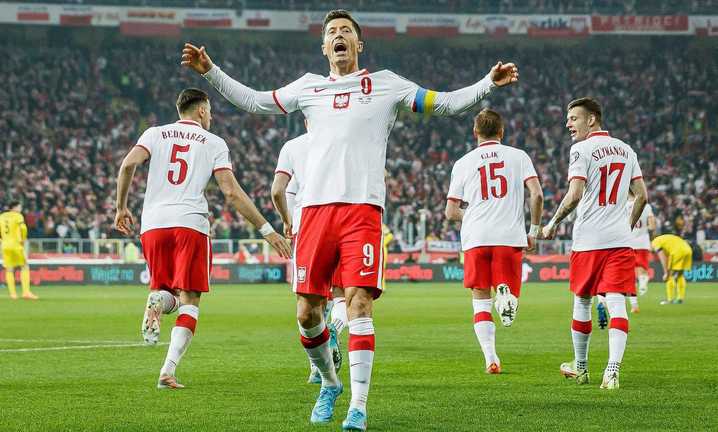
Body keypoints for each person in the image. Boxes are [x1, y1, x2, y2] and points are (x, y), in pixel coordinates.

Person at [182, 9, 518, 430]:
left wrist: (488, 83)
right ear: (324, 47)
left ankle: (358, 406)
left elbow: (444, 103)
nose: (338, 36)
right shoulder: (309, 88)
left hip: (361, 210)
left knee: (358, 303)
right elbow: (255, 100)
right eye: (331, 33)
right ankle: (329, 382)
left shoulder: (386, 84)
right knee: (307, 313)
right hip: (315, 213)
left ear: (359, 45)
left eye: (346, 32)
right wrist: (210, 70)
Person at [114, 88, 291, 389]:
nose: (211, 116)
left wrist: (120, 208)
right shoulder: (213, 142)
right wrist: (266, 229)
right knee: (190, 301)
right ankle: (167, 371)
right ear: (201, 110)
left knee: (167, 291)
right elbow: (231, 192)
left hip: (153, 224)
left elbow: (128, 164)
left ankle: (158, 300)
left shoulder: (155, 133)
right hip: (190, 224)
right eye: (209, 111)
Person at [543, 97, 647, 390]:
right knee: (616, 304)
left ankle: (582, 367)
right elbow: (641, 195)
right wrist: (625, 226)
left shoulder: (581, 149)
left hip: (588, 240)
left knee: (583, 301)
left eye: (573, 118)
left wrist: (553, 223)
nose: (568, 124)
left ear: (592, 119)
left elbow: (574, 194)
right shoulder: (627, 150)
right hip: (620, 241)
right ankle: (612, 372)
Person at [445, 109, 543, 374]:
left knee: (479, 301)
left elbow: (451, 212)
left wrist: (473, 214)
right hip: (509, 236)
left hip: (476, 237)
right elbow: (537, 194)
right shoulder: (519, 156)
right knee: (508, 293)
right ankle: (505, 297)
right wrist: (533, 230)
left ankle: (491, 358)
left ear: (475, 132)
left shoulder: (463, 162)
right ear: (502, 132)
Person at [270, 132, 343, 384]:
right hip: (343, 222)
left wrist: (287, 221)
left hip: (306, 228)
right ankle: (334, 330)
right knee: (342, 295)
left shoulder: (293, 146)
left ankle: (317, 368)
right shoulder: (342, 139)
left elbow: (280, 191)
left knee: (309, 303)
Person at [0, 201, 38, 300]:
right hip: (16, 244)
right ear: (14, 207)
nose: (20, 209)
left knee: (9, 268)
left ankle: (13, 294)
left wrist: (2, 240)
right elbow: (23, 227)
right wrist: (23, 239)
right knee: (24, 266)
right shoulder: (18, 216)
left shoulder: (2, 216)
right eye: (19, 207)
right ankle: (26, 292)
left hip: (5, 245)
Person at [626, 193, 656, 311]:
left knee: (629, 275)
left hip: (628, 242)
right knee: (641, 269)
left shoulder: (624, 205)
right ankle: (643, 280)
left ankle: (634, 305)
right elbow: (652, 225)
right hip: (643, 242)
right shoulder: (646, 206)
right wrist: (645, 229)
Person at [651, 233, 692, 305]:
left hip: (678, 251)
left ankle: (670, 300)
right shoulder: (664, 239)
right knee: (680, 275)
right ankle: (680, 298)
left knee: (669, 276)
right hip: (687, 249)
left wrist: (666, 272)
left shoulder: (655, 242)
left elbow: (662, 257)